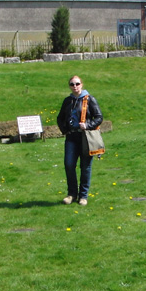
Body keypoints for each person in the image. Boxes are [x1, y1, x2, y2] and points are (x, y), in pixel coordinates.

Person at [57, 75, 103, 206]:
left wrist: (87, 125)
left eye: (77, 84)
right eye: (72, 84)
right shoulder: (67, 101)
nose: (75, 86)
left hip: (85, 137)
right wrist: (65, 130)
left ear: (81, 85)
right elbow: (60, 118)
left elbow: (99, 117)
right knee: (69, 165)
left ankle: (83, 196)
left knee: (85, 166)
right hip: (71, 137)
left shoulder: (90, 99)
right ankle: (72, 194)